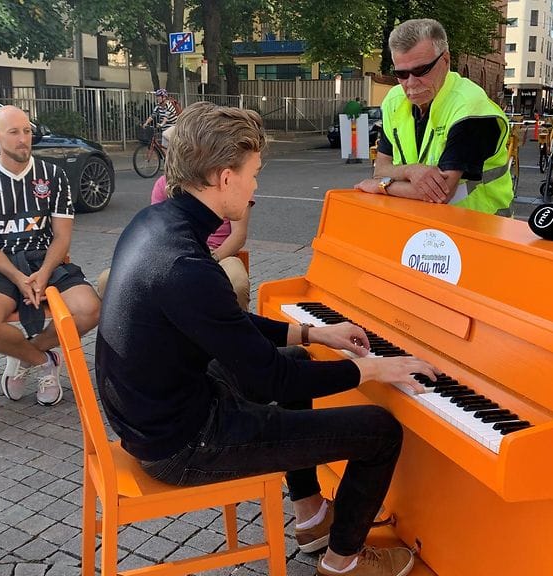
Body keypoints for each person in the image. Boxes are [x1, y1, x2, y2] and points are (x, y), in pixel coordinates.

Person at [97, 101, 437, 576]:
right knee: (379, 432)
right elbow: (274, 379)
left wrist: (312, 331)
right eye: (253, 174)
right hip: (181, 445)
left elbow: (223, 324)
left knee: (297, 353)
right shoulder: (185, 265)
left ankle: (312, 516)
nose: (256, 189)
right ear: (223, 177)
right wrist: (374, 368)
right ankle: (345, 561)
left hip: (154, 414)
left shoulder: (158, 224)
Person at [0, 105, 101, 407]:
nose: (23, 139)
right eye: (14, 132)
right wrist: (18, 277)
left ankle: (25, 354)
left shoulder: (54, 175)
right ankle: (43, 360)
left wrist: (45, 272)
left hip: (45, 259)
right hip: (1, 264)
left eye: (27, 131)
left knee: (90, 309)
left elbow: (62, 236)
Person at [353, 19, 512, 215]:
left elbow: (441, 193)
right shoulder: (394, 100)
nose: (411, 83)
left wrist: (380, 187)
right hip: (426, 230)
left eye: (421, 70)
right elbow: (381, 169)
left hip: (480, 230)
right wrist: (410, 170)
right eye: (401, 74)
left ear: (445, 60)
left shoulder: (470, 110)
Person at [95, 175, 252, 312]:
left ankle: (238, 336)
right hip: (174, 253)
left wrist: (213, 258)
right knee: (107, 279)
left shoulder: (231, 182)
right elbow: (158, 232)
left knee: (236, 281)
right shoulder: (164, 184)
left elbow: (238, 235)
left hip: (219, 254)